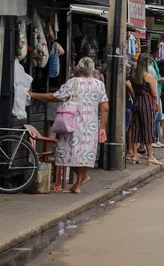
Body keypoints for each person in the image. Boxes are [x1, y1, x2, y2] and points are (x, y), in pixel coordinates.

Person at [29, 57, 108, 194]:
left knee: (71, 152)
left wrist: (33, 95)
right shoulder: (99, 84)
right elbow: (105, 107)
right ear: (92, 69)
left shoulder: (72, 83)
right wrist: (102, 127)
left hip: (73, 123)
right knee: (85, 154)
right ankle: (78, 183)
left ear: (77, 68)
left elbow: (55, 97)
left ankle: (80, 180)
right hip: (91, 125)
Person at [126, 53, 162, 166]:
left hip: (136, 101)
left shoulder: (133, 76)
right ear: (147, 63)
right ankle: (150, 156)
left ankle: (135, 154)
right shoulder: (148, 77)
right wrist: (155, 103)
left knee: (136, 127)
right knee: (148, 127)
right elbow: (154, 93)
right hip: (146, 102)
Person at [149, 47, 164, 149]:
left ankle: (156, 139)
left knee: (158, 117)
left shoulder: (154, 63)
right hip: (155, 93)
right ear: (155, 53)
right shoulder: (151, 65)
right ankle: (153, 139)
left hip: (157, 92)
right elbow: (152, 79)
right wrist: (161, 79)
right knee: (156, 117)